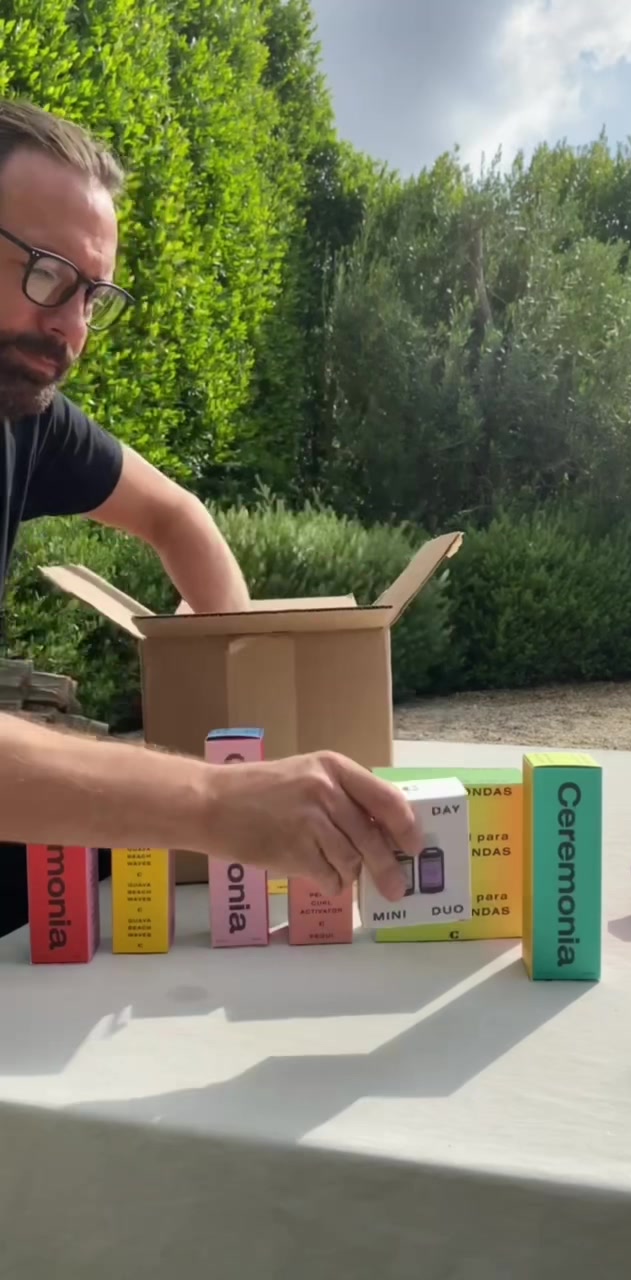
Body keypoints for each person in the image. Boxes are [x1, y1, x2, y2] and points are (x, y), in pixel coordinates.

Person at [0, 99, 416, 936]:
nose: (71, 328)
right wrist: (220, 802)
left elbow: (178, 518)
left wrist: (247, 742)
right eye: (46, 273)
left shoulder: (26, 411)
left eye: (93, 296)